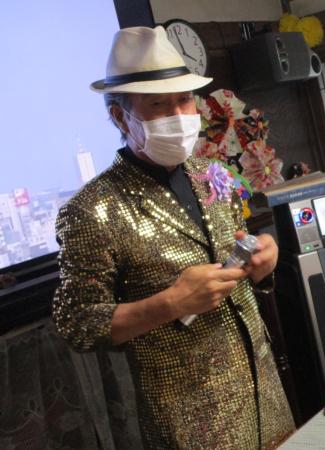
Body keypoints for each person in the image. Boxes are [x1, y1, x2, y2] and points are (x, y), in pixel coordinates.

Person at [52, 26, 294, 449]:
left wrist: (263, 264)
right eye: (157, 104)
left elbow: (235, 256)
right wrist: (171, 303)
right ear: (120, 117)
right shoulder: (92, 209)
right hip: (190, 421)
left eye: (183, 99)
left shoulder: (210, 174)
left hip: (265, 394)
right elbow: (78, 323)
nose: (178, 114)